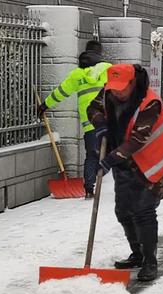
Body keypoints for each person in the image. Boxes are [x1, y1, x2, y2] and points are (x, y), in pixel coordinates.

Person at [87, 64, 163, 282]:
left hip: (151, 165)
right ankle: (137, 254)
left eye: (122, 88)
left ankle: (150, 262)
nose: (117, 92)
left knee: (143, 211)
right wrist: (99, 123)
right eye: (113, 88)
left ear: (132, 83)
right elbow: (93, 107)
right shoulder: (109, 91)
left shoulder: (150, 103)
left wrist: (109, 159)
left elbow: (137, 140)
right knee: (123, 211)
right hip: (124, 163)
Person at [38, 40, 111, 199]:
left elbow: (61, 92)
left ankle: (89, 190)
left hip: (89, 124)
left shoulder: (77, 75)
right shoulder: (107, 70)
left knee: (91, 155)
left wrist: (45, 105)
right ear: (99, 54)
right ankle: (101, 171)